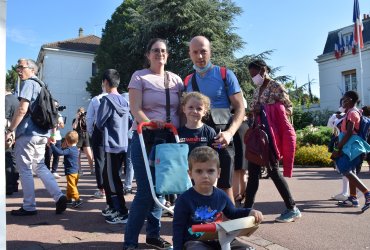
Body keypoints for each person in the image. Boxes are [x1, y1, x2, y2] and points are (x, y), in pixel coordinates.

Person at [123, 38, 183, 250]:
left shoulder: (176, 80)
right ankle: (130, 242)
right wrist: (148, 122)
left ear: (168, 55)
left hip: (168, 138)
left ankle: (153, 235)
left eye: (163, 50)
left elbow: (180, 111)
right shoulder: (139, 76)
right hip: (144, 137)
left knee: (161, 189)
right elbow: (135, 107)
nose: (160, 54)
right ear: (148, 55)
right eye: (155, 50)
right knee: (146, 192)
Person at [186, 36, 246, 202]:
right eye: (195, 52)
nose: (199, 56)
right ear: (190, 54)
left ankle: (229, 223)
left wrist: (229, 133)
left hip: (222, 137)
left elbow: (240, 107)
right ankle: (200, 223)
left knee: (225, 185)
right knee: (199, 184)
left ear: (210, 52)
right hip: (199, 139)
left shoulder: (225, 74)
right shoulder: (188, 80)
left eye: (203, 51)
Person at [5, 58, 67, 216]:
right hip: (41, 133)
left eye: (21, 67)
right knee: (40, 166)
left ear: (32, 69)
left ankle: (29, 205)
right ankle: (59, 196)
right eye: (17, 67)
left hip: (27, 133)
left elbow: (22, 110)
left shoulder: (29, 84)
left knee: (25, 169)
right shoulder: (42, 85)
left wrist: (11, 129)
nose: (18, 70)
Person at [173, 146, 263, 249]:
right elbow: (178, 228)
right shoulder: (184, 200)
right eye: (199, 171)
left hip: (220, 238)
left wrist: (250, 212)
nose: (205, 176)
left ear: (218, 173)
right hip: (196, 241)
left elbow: (233, 213)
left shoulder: (221, 195)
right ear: (190, 174)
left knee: (247, 249)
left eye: (210, 171)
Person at [245, 59, 301, 223]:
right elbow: (253, 110)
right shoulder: (257, 90)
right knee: (253, 172)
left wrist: (264, 109)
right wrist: (252, 113)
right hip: (258, 136)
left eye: (254, 74)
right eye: (251, 75)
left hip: (271, 137)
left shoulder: (276, 86)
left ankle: (292, 208)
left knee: (273, 171)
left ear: (263, 70)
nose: (253, 77)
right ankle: (247, 209)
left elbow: (288, 109)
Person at [96, 69, 130, 224]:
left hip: (111, 144)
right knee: (113, 177)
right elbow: (130, 121)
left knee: (111, 179)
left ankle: (121, 211)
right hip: (124, 143)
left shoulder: (106, 100)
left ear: (105, 82)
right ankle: (114, 207)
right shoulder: (125, 100)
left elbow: (99, 122)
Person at [330, 91, 370, 212]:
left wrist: (338, 148)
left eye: (345, 99)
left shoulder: (352, 113)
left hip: (350, 146)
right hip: (351, 145)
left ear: (351, 100)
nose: (343, 101)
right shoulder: (351, 112)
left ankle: (367, 193)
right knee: (351, 171)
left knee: (345, 169)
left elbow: (349, 133)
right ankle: (353, 198)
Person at [50, 131, 82, 208]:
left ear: (67, 141)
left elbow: (59, 152)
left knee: (72, 186)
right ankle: (68, 198)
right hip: (76, 172)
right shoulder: (75, 149)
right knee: (70, 186)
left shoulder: (69, 150)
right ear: (77, 141)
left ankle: (77, 199)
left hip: (70, 172)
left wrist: (52, 145)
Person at [86, 83, 108, 199]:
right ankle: (113, 188)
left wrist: (91, 132)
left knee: (99, 160)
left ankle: (102, 189)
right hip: (115, 132)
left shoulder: (96, 99)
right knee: (114, 160)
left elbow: (89, 118)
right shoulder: (121, 98)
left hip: (99, 131)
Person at [5, 83, 20, 195]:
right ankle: (14, 184)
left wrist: (8, 132)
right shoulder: (16, 100)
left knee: (7, 159)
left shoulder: (6, 100)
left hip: (8, 132)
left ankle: (9, 186)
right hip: (16, 132)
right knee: (13, 159)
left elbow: (4, 117)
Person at [44, 100, 65, 179]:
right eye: (54, 105)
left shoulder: (59, 115)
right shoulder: (47, 114)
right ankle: (46, 171)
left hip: (58, 138)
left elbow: (62, 126)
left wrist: (60, 123)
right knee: (48, 155)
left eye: (56, 106)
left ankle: (54, 171)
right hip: (49, 137)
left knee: (57, 155)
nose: (55, 107)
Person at [72, 107, 94, 175]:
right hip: (78, 136)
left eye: (82, 112)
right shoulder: (75, 120)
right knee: (78, 154)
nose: (81, 114)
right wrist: (77, 119)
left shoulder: (86, 119)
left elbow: (89, 126)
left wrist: (85, 118)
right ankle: (80, 170)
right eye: (80, 112)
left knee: (89, 154)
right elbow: (74, 127)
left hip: (85, 136)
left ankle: (92, 169)